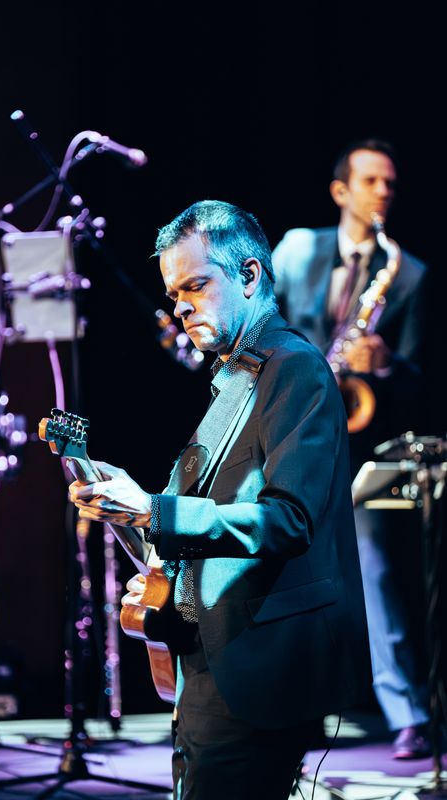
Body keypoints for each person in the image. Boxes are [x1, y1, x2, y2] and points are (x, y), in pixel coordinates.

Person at [69, 200, 370, 799]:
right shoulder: (239, 375)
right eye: (173, 293)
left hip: (258, 666)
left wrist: (153, 508)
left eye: (196, 286)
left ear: (250, 275)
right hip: (210, 657)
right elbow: (194, 530)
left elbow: (289, 520)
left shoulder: (295, 369)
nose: (179, 306)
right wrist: (131, 513)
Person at [271, 139, 431, 759]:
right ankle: (293, 708)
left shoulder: (408, 274)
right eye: (370, 181)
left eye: (390, 183)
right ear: (341, 190)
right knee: (286, 573)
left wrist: (384, 363)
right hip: (291, 433)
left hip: (362, 445)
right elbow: (263, 326)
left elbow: (419, 381)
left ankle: (407, 712)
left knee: (376, 571)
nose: (383, 192)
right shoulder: (295, 249)